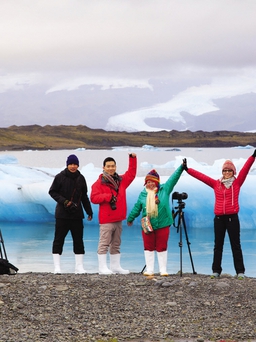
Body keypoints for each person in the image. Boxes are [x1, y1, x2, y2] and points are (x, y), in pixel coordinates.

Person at [183, 149, 256, 279]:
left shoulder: (237, 183)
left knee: (236, 245)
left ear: (233, 172)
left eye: (229, 171)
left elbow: (246, 168)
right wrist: (188, 170)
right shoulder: (216, 184)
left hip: (232, 218)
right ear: (222, 172)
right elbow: (202, 177)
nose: (227, 173)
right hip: (218, 219)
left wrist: (253, 156)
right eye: (225, 170)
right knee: (218, 246)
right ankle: (216, 271)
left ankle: (240, 272)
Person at [127, 162, 185, 276]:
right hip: (148, 224)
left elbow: (173, 179)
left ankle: (163, 270)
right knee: (148, 247)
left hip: (163, 224)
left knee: (162, 246)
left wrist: (181, 167)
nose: (150, 184)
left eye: (152, 181)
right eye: (148, 182)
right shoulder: (143, 194)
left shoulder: (165, 190)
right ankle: (150, 270)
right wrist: (130, 218)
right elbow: (137, 207)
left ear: (157, 182)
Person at [90, 153, 137, 275]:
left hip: (118, 218)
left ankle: (115, 267)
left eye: (113, 166)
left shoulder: (121, 181)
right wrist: (108, 197)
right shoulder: (99, 183)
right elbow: (93, 198)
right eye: (108, 166)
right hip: (107, 219)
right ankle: (102, 268)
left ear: (115, 167)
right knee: (104, 243)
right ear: (103, 167)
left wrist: (132, 159)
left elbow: (131, 174)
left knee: (116, 244)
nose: (111, 168)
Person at [49, 154, 93, 274]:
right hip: (62, 215)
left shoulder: (81, 178)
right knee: (58, 240)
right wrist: (65, 201)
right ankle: (57, 267)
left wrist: (89, 211)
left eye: (75, 164)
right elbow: (52, 192)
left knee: (78, 240)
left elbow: (84, 196)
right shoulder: (60, 177)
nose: (73, 166)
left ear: (78, 165)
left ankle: (79, 267)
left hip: (77, 215)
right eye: (71, 164)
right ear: (67, 164)